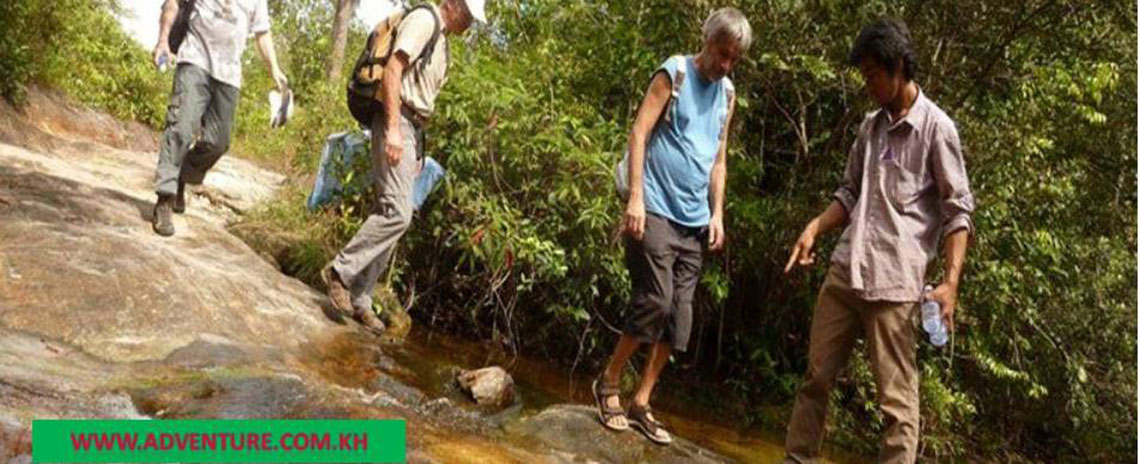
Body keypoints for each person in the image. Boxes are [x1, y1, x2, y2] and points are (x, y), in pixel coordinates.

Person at [781, 19, 975, 463]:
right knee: (816, 377)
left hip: (895, 284)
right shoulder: (870, 127)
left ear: (898, 67)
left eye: (872, 74)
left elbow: (958, 212)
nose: (867, 84)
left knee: (896, 404)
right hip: (846, 271)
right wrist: (814, 227)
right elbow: (849, 194)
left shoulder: (937, 129)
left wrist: (950, 284)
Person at [592, 7, 751, 446]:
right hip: (656, 208)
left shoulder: (728, 94)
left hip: (695, 220)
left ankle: (641, 401)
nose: (726, 65)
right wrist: (636, 197)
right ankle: (608, 381)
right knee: (655, 300)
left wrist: (717, 213)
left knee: (680, 318)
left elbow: (719, 160)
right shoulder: (674, 73)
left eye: (734, 59)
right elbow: (639, 133)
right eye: (722, 54)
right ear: (707, 41)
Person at [322, 0, 487, 334]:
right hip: (397, 121)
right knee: (397, 213)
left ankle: (360, 299)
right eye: (469, 15)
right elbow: (393, 71)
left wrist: (417, 150)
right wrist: (394, 129)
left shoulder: (442, 41)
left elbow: (422, 96)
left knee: (395, 213)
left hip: (412, 130)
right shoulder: (425, 20)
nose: (470, 23)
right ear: (453, 4)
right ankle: (340, 272)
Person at [150, 0, 289, 236]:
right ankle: (165, 197)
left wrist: (274, 69)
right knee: (181, 127)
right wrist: (163, 40)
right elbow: (172, 3)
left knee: (219, 142)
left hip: (229, 75)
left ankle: (183, 174)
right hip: (195, 60)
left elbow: (262, 33)